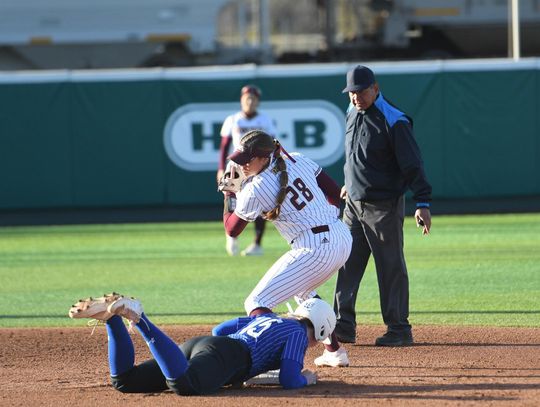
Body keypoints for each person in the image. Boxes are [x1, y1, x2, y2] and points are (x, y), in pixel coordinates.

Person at [219, 129, 353, 367]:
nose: (243, 165)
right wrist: (322, 219)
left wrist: (229, 193)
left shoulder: (255, 187)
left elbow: (232, 229)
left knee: (256, 302)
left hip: (314, 247)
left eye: (247, 160)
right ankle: (334, 351)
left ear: (263, 157)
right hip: (341, 236)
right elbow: (334, 193)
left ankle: (269, 360)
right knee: (302, 291)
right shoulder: (298, 159)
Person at [333, 65, 432, 347]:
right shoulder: (351, 112)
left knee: (390, 267)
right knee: (346, 263)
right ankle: (343, 326)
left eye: (361, 91)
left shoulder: (394, 120)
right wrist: (349, 182)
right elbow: (354, 155)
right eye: (351, 92)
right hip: (352, 204)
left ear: (375, 88)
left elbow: (413, 164)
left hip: (383, 206)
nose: (355, 97)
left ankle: (399, 328)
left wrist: (422, 202)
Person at [68, 293, 336, 394]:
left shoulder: (270, 318)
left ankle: (111, 319)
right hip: (228, 355)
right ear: (320, 327)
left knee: (126, 381)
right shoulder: (299, 333)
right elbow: (290, 379)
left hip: (205, 346)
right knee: (185, 384)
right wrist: (306, 380)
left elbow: (220, 329)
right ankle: (140, 319)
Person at [217, 84, 277, 256]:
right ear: (241, 100)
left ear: (257, 102)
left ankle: (257, 244)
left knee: (260, 201)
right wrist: (221, 168)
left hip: (259, 167)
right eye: (246, 98)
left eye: (253, 99)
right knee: (230, 196)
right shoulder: (233, 119)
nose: (249, 102)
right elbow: (224, 147)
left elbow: (273, 145)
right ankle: (232, 235)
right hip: (236, 165)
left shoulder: (265, 120)